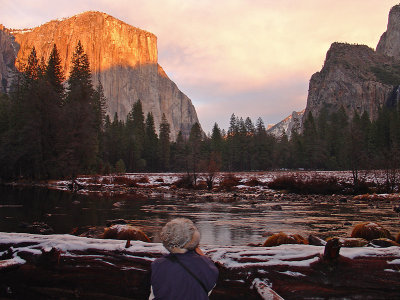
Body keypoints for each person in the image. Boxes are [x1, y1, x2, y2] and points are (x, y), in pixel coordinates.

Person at [149, 218, 219, 300]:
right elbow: (209, 288)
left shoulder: (158, 265)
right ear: (194, 240)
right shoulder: (207, 265)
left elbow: (154, 294)